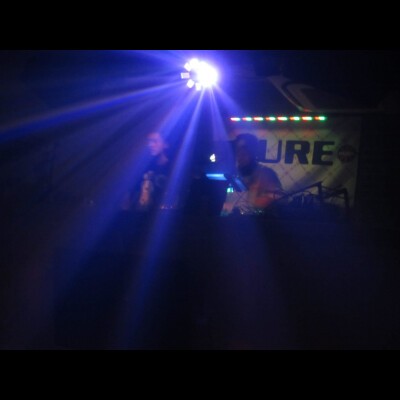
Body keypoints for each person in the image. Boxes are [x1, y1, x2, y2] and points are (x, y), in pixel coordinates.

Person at [221, 133, 284, 216]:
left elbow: (279, 200)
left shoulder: (266, 174)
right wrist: (224, 216)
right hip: (232, 221)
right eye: (238, 150)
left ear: (254, 152)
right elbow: (228, 203)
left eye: (245, 149)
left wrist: (256, 203)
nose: (240, 154)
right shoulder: (233, 174)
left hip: (258, 221)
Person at [121, 131, 178, 213]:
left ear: (165, 144)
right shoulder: (142, 168)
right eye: (149, 142)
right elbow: (129, 196)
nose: (150, 145)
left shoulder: (174, 168)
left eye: (155, 141)